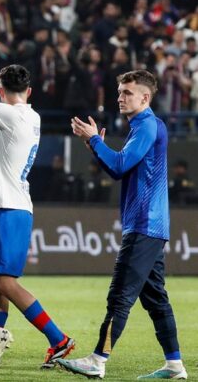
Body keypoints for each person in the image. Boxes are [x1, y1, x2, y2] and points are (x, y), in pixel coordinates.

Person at [58, 70, 187, 380]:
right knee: (156, 299)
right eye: (119, 91)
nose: (119, 97)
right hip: (150, 224)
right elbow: (120, 167)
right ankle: (175, 365)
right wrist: (96, 147)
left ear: (145, 97)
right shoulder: (144, 126)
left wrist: (93, 142)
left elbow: (118, 166)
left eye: (127, 92)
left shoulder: (146, 126)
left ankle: (98, 359)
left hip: (143, 224)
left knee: (120, 295)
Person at [0, 37, 74, 372]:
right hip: (9, 206)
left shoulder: (12, 116)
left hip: (10, 208)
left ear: (2, 89)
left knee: (5, 283)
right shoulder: (26, 115)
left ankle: (59, 339)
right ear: (30, 91)